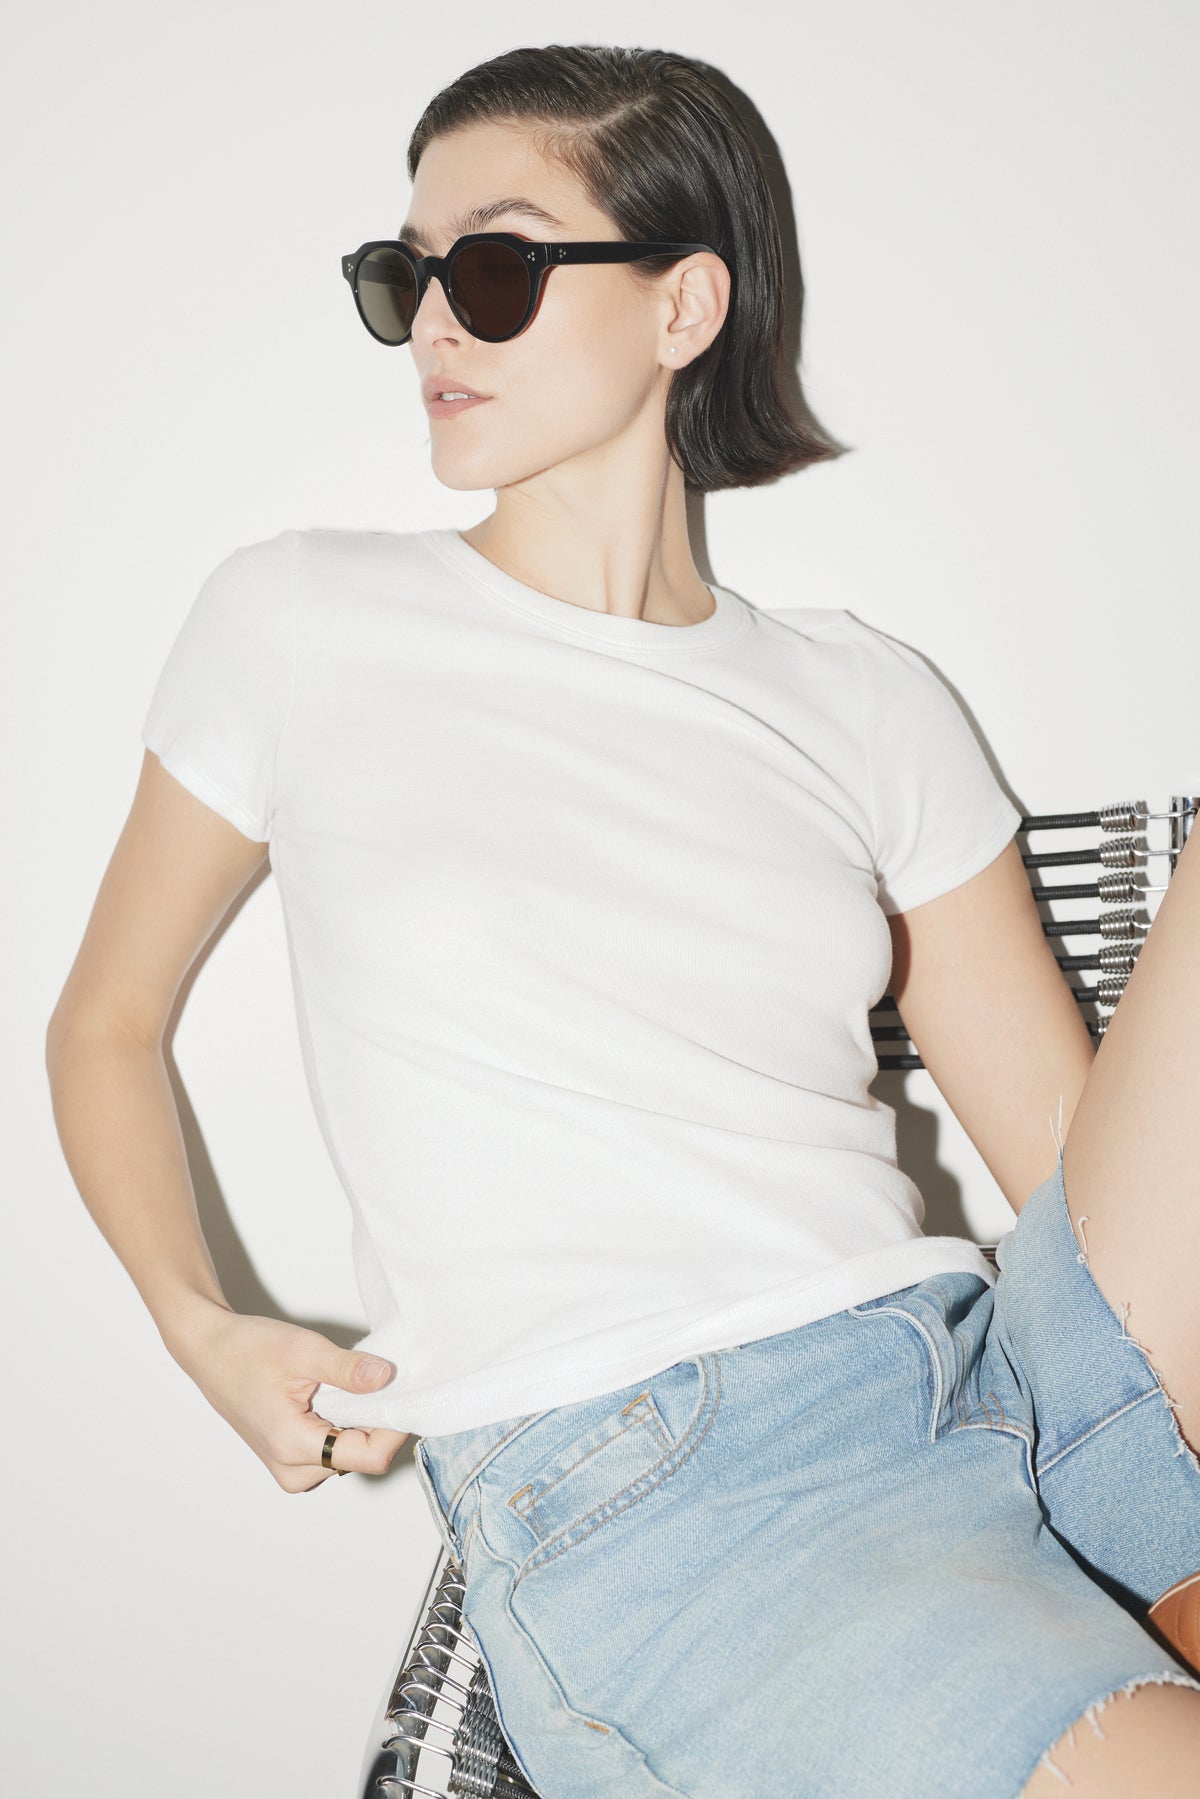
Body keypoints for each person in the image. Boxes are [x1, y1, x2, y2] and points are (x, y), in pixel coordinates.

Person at [45, 41, 1200, 1799]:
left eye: (493, 269)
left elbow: (1072, 1162)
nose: (433, 323)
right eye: (401, 279)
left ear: (684, 307)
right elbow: (104, 1022)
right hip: (683, 1514)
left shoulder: (867, 696)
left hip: (994, 1384)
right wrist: (201, 1324)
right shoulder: (297, 621)